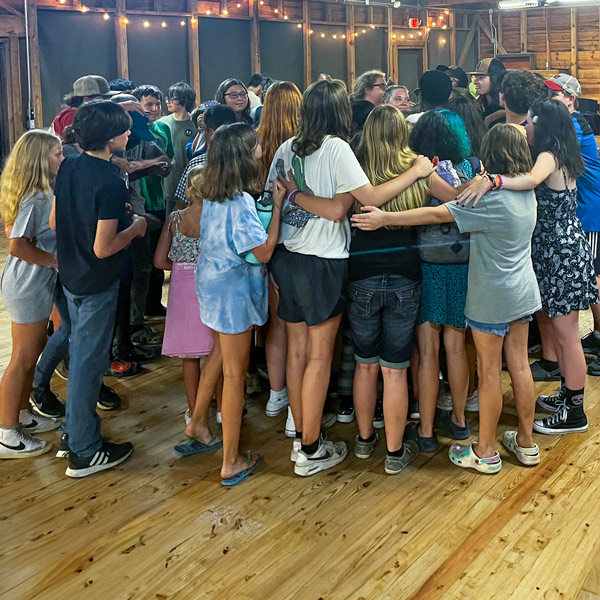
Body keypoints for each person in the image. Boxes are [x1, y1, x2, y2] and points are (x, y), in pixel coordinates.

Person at [352, 123, 542, 474]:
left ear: (491, 153)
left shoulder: (491, 199)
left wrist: (385, 218)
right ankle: (527, 442)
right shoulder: (525, 190)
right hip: (523, 291)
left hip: (491, 295)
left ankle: (484, 452)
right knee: (518, 366)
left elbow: (435, 213)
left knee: (487, 373)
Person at [269, 79, 436, 476]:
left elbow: (281, 197)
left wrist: (295, 198)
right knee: (319, 358)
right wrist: (415, 172)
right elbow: (368, 201)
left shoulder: (285, 147)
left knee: (297, 353)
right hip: (323, 260)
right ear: (341, 112)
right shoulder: (337, 147)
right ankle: (310, 448)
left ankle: (302, 437)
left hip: (287, 256)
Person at [458, 99, 598, 435]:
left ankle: (575, 412)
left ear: (542, 124)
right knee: (563, 335)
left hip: (560, 252)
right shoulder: (562, 152)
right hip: (561, 250)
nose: (525, 129)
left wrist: (494, 181)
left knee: (567, 337)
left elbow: (531, 180)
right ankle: (568, 393)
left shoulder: (549, 157)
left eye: (529, 122)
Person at [349, 105, 455, 474]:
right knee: (394, 368)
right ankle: (394, 454)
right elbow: (456, 200)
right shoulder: (420, 169)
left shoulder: (355, 166)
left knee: (364, 365)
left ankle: (364, 442)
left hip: (360, 272)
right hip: (407, 274)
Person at [52, 100, 147, 477]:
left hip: (72, 274)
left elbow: (55, 218)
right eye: (125, 129)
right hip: (96, 280)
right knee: (89, 367)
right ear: (109, 138)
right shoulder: (107, 182)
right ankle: (85, 450)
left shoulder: (71, 164)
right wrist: (136, 228)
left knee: (80, 358)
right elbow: (104, 246)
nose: (129, 134)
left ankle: (74, 432)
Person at [195, 123, 285, 485]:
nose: (262, 146)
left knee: (218, 355)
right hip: (233, 293)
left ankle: (197, 422)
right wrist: (277, 209)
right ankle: (231, 460)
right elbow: (261, 252)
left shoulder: (212, 194)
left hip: (211, 286)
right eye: (256, 144)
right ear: (244, 155)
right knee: (234, 375)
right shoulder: (241, 202)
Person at [405, 109, 475, 453]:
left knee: (428, 351)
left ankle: (427, 428)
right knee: (456, 347)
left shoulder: (418, 169)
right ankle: (460, 420)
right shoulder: (468, 169)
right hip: (463, 262)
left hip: (429, 263)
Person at [0, 130, 63, 458]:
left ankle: (22, 413)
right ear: (40, 159)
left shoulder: (40, 191)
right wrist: (54, 261)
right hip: (28, 283)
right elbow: (18, 245)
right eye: (56, 154)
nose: (62, 159)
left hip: (33, 282)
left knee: (33, 349)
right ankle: (6, 432)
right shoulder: (37, 196)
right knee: (23, 359)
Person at [153, 169, 219, 454]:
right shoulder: (216, 219)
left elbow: (159, 261)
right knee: (218, 353)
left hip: (181, 289)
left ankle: (194, 412)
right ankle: (219, 410)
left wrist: (181, 267)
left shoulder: (175, 219)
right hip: (212, 287)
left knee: (189, 357)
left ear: (189, 191)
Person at [544, 74, 600, 377]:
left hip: (591, 210)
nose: (549, 99)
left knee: (594, 279)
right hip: (586, 208)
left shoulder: (573, 125)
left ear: (570, 99)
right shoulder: (572, 123)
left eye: (555, 95)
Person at [256, 81, 303, 419]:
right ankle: (298, 406)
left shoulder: (255, 146)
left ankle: (275, 394)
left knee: (274, 325)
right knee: (298, 328)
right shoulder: (302, 146)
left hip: (259, 244)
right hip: (294, 242)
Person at [175, 105, 237, 206]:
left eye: (204, 129)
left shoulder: (198, 163)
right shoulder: (247, 160)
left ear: (211, 132)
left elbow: (181, 201)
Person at [160, 82, 197, 214]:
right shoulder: (162, 123)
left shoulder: (196, 124)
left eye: (172, 98)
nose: (168, 102)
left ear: (184, 99)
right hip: (168, 182)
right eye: (167, 98)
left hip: (191, 183)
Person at [469, 58, 507, 128]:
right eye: (475, 78)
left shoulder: (504, 106)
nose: (475, 82)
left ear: (495, 79)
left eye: (480, 78)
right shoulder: (479, 105)